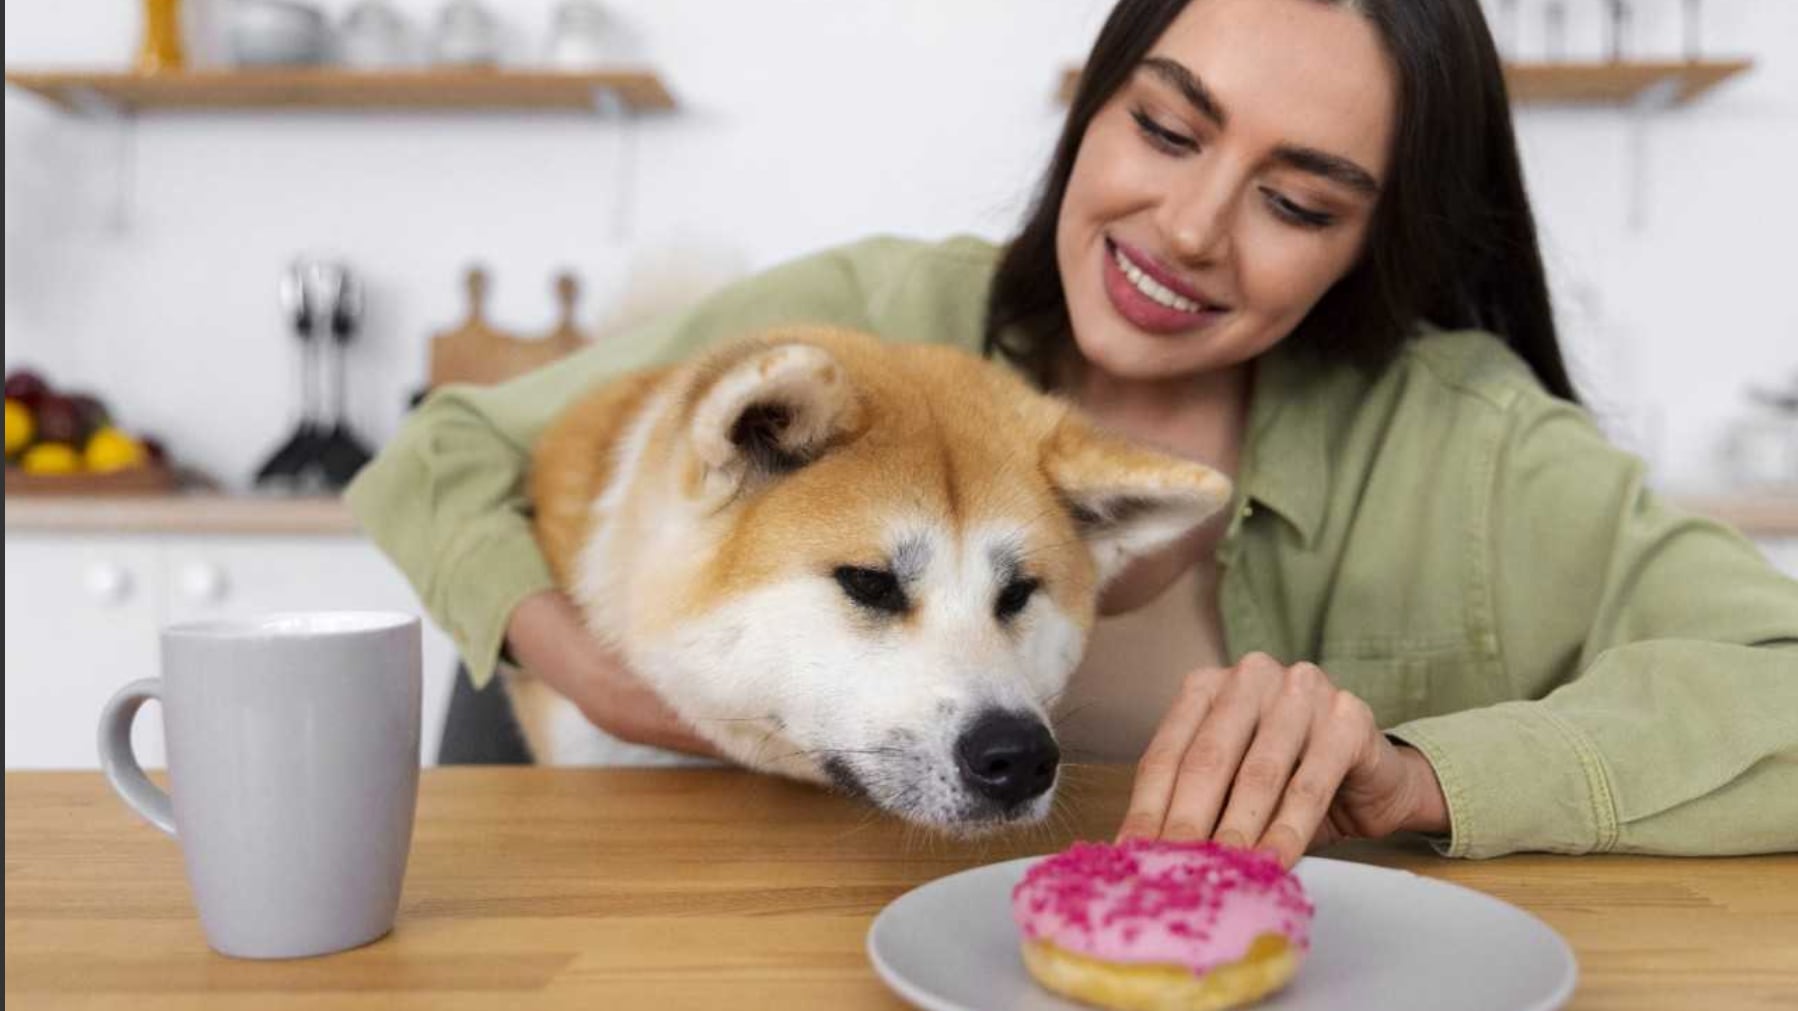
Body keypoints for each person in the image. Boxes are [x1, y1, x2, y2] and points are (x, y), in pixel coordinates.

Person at [348, 0, 1798, 864]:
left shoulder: (1468, 445)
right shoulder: (865, 325)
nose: (1185, 228)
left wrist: (1427, 779)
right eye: (1165, 131)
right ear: (1093, 108)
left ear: (1377, 243)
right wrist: (601, 676)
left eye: (1294, 204)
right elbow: (438, 457)